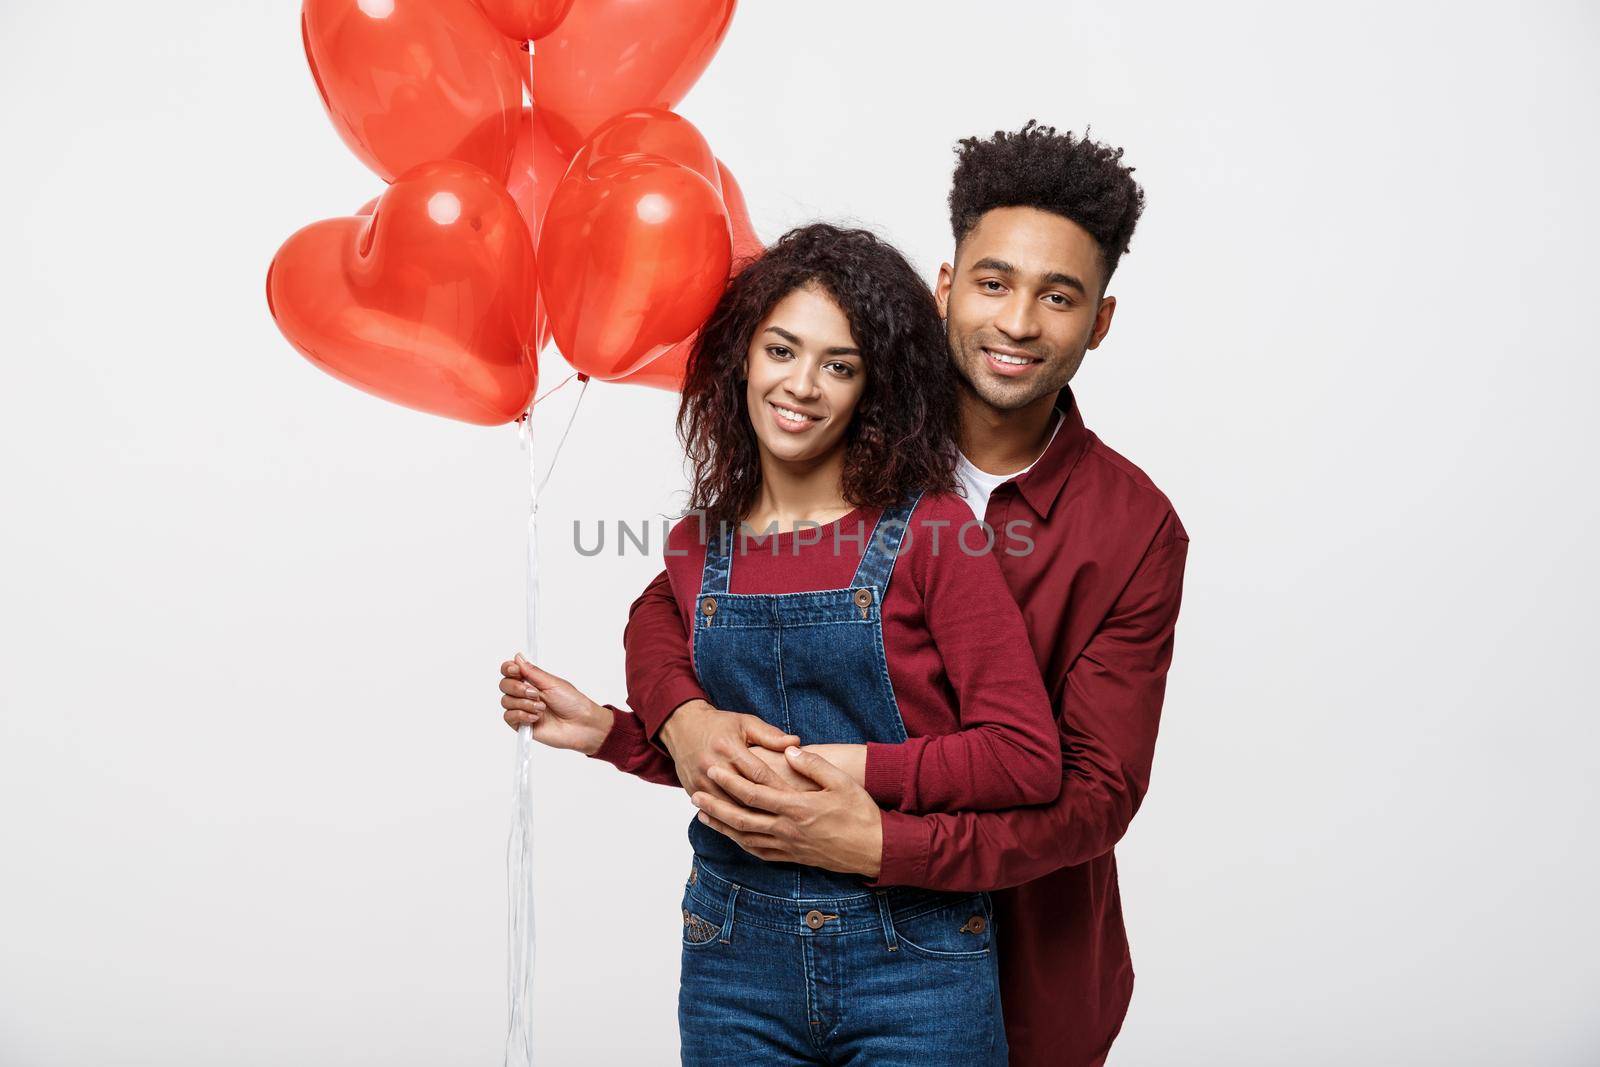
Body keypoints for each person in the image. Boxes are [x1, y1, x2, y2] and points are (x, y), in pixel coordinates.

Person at [580, 122, 1190, 1066]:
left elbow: (1093, 795)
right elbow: (675, 596)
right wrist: (683, 719)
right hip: (762, 951)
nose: (1018, 322)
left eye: (1058, 296)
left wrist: (877, 842)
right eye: (993, 282)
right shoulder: (841, 422)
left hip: (1023, 966)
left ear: (1099, 320)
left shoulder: (1135, 528)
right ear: (946, 288)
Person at [499, 222, 1065, 1064]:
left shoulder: (934, 535)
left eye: (840, 365)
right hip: (734, 957)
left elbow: (1025, 758)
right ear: (741, 357)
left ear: (875, 387)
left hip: (915, 957)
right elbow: (729, 740)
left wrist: (851, 767)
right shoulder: (698, 548)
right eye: (781, 350)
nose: (802, 385)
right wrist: (617, 732)